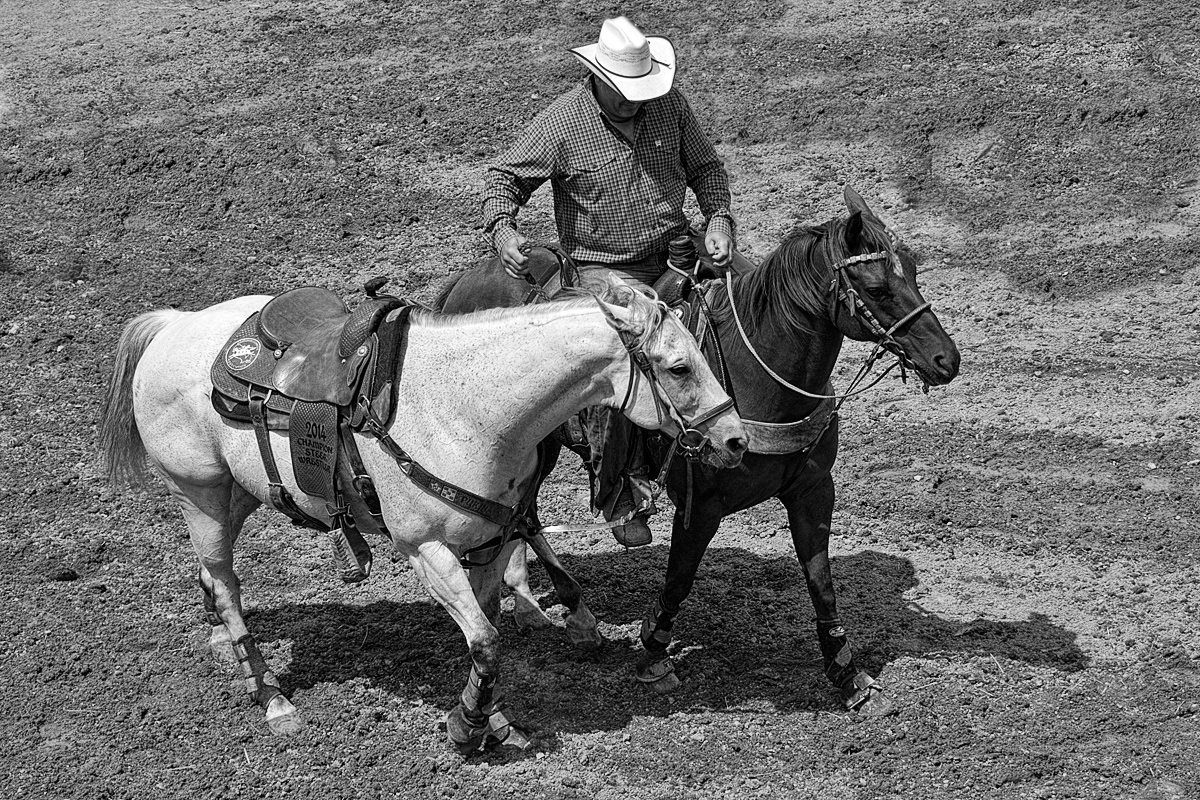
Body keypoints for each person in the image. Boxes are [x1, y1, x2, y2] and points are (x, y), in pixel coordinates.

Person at [481, 15, 736, 547]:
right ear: (597, 76)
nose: (634, 101)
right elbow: (505, 178)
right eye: (624, 92)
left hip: (676, 250)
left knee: (755, 299)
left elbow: (707, 170)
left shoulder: (669, 106)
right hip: (604, 266)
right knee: (620, 353)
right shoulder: (563, 122)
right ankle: (618, 490)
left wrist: (718, 219)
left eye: (639, 90)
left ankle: (755, 428)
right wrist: (503, 228)